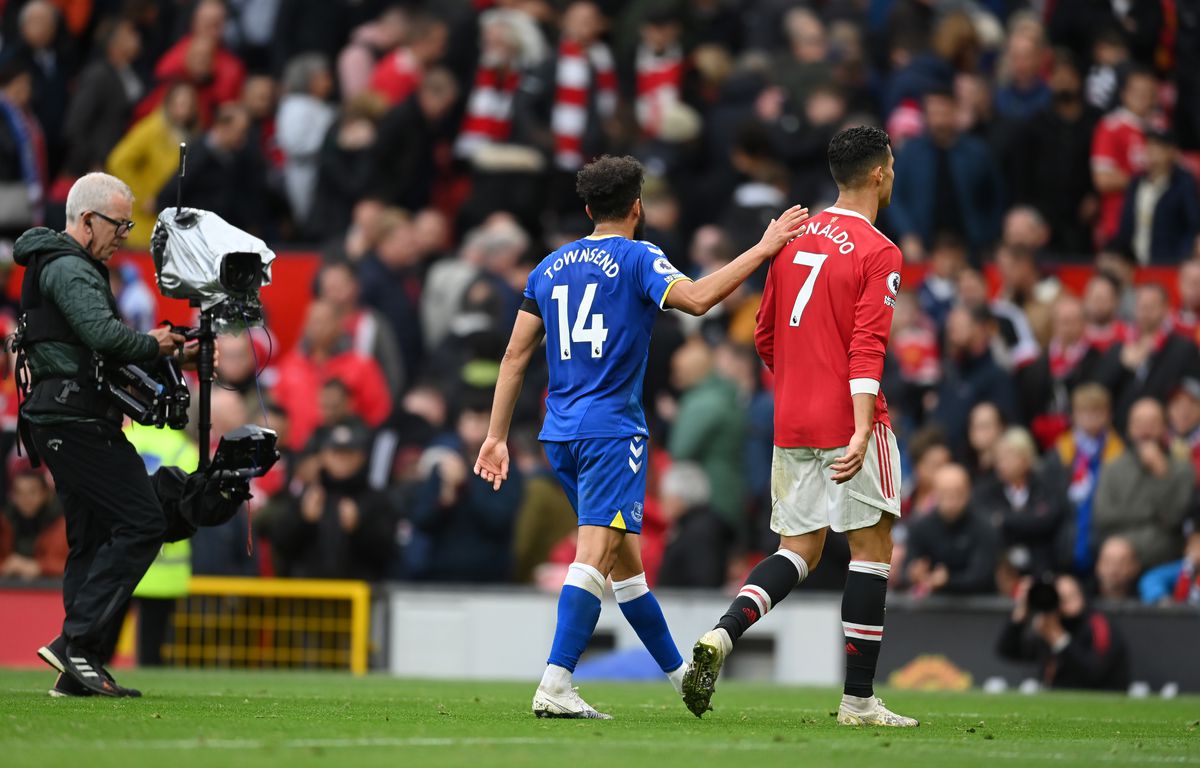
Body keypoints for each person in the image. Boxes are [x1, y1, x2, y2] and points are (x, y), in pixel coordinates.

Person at [473, 154, 807, 718]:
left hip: (560, 433)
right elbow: (698, 300)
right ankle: (555, 681)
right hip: (611, 432)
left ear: (587, 209)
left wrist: (495, 435)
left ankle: (683, 682)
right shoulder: (639, 256)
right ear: (636, 208)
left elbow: (514, 356)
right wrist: (764, 247)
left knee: (626, 566)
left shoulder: (549, 267)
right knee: (595, 553)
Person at [681, 126, 918, 727]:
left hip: (791, 420)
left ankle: (721, 635)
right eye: (890, 167)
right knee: (871, 551)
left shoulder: (790, 236)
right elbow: (868, 351)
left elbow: (765, 335)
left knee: (799, 549)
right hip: (848, 417)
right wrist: (862, 428)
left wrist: (800, 380)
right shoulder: (879, 251)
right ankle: (858, 701)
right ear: (877, 174)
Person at [14, 172, 188, 697]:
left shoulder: (60, 264)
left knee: (89, 540)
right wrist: (155, 345)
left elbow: (89, 344)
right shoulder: (71, 266)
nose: (125, 235)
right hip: (75, 420)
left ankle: (77, 673)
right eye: (119, 224)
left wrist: (169, 350)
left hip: (60, 418)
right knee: (142, 521)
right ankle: (78, 644)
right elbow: (102, 335)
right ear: (87, 220)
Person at [997, 573, 1130, 691]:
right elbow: (1008, 650)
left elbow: (1095, 672)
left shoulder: (1097, 624)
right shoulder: (1050, 622)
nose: (1065, 603)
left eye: (1070, 596)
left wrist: (1060, 640)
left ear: (1082, 596)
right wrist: (1020, 614)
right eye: (1060, 598)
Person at [905, 463, 998, 596]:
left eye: (957, 492)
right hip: (932, 608)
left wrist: (948, 581)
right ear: (934, 493)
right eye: (944, 493)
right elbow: (908, 567)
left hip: (977, 607)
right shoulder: (920, 527)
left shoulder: (984, 527)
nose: (950, 499)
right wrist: (913, 573)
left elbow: (982, 576)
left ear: (968, 492)